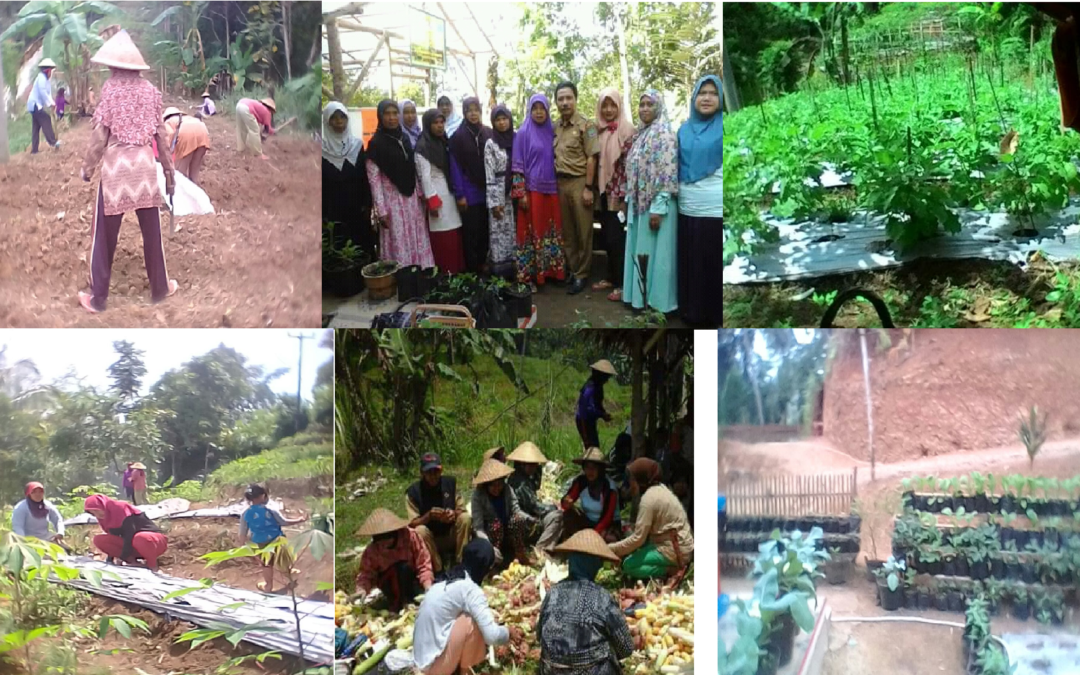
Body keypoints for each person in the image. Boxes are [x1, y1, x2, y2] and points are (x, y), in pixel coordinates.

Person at [78, 30, 178, 314]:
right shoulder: (151, 92)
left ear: (114, 65)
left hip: (116, 170)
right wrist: (169, 174)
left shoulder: (110, 90)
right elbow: (161, 137)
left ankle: (98, 299)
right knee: (152, 233)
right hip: (145, 169)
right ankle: (160, 289)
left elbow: (99, 137)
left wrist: (87, 168)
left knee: (104, 237)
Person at [538, 530, 634, 674]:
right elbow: (626, 648)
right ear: (593, 563)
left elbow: (539, 636)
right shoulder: (602, 597)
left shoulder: (552, 593)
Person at [412, 539, 510, 675]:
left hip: (421, 662)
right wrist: (508, 632)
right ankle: (465, 672)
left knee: (467, 616)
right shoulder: (470, 589)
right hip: (434, 668)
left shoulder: (445, 580)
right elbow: (492, 636)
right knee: (471, 621)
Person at [622, 89, 680, 314]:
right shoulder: (642, 134)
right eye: (642, 104)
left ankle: (659, 303)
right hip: (641, 205)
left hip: (657, 206)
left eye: (650, 104)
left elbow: (667, 172)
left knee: (658, 255)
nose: (645, 108)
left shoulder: (664, 133)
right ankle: (640, 299)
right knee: (643, 252)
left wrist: (658, 208)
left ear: (659, 107)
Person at [676, 74, 723, 327]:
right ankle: (692, 315)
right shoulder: (683, 129)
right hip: (687, 208)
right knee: (692, 265)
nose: (706, 98)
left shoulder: (726, 125)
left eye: (713, 93)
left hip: (715, 210)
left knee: (712, 264)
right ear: (694, 97)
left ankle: (714, 317)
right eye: (702, 93)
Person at [367, 100, 435, 268]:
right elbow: (374, 180)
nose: (391, 118)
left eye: (394, 113)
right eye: (387, 114)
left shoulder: (404, 138)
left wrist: (420, 194)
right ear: (380, 116)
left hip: (412, 201)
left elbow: (412, 169)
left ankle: (420, 271)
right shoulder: (375, 144)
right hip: (392, 203)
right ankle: (403, 275)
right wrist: (381, 210)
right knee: (399, 238)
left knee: (415, 235)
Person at [511, 94, 566, 289]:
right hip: (531, 192)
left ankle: (552, 272)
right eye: (535, 108)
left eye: (542, 108)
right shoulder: (523, 133)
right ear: (529, 110)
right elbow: (517, 167)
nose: (539, 112)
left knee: (550, 231)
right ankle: (530, 277)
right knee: (532, 232)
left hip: (551, 190)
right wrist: (521, 193)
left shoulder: (552, 131)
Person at [609, 458, 694, 580]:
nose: (630, 484)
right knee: (634, 553)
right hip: (681, 545)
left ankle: (670, 570)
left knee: (629, 565)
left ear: (641, 480)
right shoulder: (661, 488)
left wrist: (612, 549)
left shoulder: (648, 499)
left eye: (632, 480)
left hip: (675, 550)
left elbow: (638, 539)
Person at [552, 81, 600, 295]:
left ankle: (582, 274)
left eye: (568, 98)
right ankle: (572, 270)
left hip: (580, 182)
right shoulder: (555, 127)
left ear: (575, 99)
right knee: (568, 233)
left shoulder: (586, 126)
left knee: (583, 232)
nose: (564, 103)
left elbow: (592, 158)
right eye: (560, 99)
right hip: (560, 184)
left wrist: (588, 187)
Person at [592, 88, 634, 303]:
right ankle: (610, 277)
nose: (608, 110)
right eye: (604, 105)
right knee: (607, 236)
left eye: (612, 105)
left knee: (617, 239)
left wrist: (626, 199)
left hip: (619, 194)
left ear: (619, 106)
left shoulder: (627, 130)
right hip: (602, 191)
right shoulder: (596, 129)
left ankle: (622, 284)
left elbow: (630, 166)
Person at [323, 101, 376, 260]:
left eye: (342, 117)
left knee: (362, 246)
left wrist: (368, 204)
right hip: (333, 210)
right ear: (327, 121)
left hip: (357, 208)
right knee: (339, 249)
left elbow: (364, 177)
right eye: (334, 118)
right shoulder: (321, 149)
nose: (339, 121)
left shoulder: (357, 145)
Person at [415, 109, 466, 273]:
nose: (439, 126)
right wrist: (433, 202)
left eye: (441, 122)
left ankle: (456, 270)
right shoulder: (422, 146)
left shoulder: (443, 141)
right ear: (428, 125)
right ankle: (445, 272)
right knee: (442, 236)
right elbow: (425, 177)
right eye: (435, 123)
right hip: (437, 197)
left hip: (448, 193)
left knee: (453, 234)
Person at [355, 508, 434, 612]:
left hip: (410, 579)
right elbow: (366, 574)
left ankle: (409, 600)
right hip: (388, 584)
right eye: (378, 539)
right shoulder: (372, 550)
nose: (383, 543)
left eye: (386, 538)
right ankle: (396, 604)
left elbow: (423, 564)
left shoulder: (411, 537)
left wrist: (428, 586)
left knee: (403, 568)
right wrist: (362, 589)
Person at [406, 453, 471, 574]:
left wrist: (453, 514)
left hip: (451, 534)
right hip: (431, 541)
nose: (433, 476)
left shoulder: (450, 483)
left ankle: (460, 562)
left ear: (441, 470)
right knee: (420, 530)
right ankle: (438, 568)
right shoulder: (413, 492)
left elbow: (461, 509)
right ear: (422, 473)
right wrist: (428, 516)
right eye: (429, 472)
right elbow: (412, 524)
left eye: (436, 471)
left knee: (465, 518)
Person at [449, 97, 493, 274]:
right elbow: (455, 168)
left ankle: (483, 264)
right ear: (464, 112)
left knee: (485, 230)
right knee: (471, 233)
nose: (473, 114)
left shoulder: (488, 133)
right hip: (469, 193)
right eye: (469, 110)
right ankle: (473, 270)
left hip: (488, 191)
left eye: (476, 110)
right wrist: (460, 194)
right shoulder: (457, 137)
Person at [239, 484, 306, 593]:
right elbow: (284, 522)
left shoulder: (245, 514)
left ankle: (268, 586)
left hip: (260, 543)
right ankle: (289, 574)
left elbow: (242, 534)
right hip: (277, 540)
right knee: (283, 559)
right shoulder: (270, 510)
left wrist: (244, 547)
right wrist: (300, 519)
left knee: (266, 565)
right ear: (263, 496)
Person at [470, 458, 535, 566]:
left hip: (508, 529)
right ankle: (493, 562)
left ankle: (520, 554)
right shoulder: (478, 496)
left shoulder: (507, 490)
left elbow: (516, 510)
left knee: (518, 519)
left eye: (499, 484)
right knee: (496, 525)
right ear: (487, 484)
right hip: (490, 533)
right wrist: (488, 546)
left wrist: (529, 518)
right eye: (493, 486)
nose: (497, 489)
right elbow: (478, 528)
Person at [83, 494, 168, 572]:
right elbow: (113, 536)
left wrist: (122, 556)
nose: (96, 514)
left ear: (103, 506)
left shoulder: (121, 508)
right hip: (133, 545)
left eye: (97, 510)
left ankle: (152, 566)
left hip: (153, 543)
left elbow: (129, 533)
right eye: (93, 513)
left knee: (140, 538)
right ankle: (133, 562)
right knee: (99, 540)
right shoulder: (103, 517)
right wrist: (111, 559)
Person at [555, 447, 621, 545]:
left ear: (600, 469)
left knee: (610, 539)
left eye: (594, 468)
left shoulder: (609, 488)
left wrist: (593, 534)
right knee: (568, 515)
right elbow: (568, 499)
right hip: (587, 521)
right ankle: (575, 542)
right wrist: (566, 502)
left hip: (607, 525)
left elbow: (607, 517)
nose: (590, 471)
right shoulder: (581, 481)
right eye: (587, 467)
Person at [506, 441, 562, 551]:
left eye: (536, 465)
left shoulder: (524, 478)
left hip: (529, 516)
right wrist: (555, 507)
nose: (534, 467)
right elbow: (535, 507)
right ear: (522, 464)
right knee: (557, 516)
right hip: (525, 521)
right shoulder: (520, 483)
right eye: (531, 465)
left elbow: (536, 488)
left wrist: (538, 472)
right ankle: (541, 548)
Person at [485, 105, 518, 277]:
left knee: (514, 232)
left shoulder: (516, 139)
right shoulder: (491, 144)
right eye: (498, 119)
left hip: (516, 192)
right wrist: (494, 203)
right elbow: (489, 174)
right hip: (498, 192)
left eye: (504, 118)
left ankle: (514, 269)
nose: (502, 122)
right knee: (499, 233)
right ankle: (500, 273)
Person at [162, 107, 211, 185]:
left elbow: (169, 135)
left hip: (186, 132)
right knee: (194, 176)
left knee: (179, 174)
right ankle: (194, 193)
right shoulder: (187, 118)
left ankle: (179, 195)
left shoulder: (168, 122)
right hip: (203, 130)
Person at [11, 482, 66, 548]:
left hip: (46, 539)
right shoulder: (21, 508)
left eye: (40, 492)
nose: (38, 494)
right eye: (34, 492)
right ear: (28, 493)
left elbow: (57, 519)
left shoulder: (47, 505)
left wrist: (60, 532)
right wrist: (23, 544)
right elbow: (18, 527)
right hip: (29, 541)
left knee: (64, 553)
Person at [576, 359, 616, 449]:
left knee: (594, 445)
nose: (607, 380)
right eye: (606, 377)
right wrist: (601, 414)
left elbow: (597, 404)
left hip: (589, 420)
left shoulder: (598, 386)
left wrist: (603, 413)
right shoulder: (590, 387)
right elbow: (587, 408)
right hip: (584, 420)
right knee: (591, 447)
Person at [27, 58, 61, 153]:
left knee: (36, 127)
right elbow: (42, 92)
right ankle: (53, 142)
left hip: (35, 105)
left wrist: (52, 103)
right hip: (34, 104)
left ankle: (34, 150)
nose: (51, 74)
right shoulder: (41, 77)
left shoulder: (46, 80)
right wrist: (50, 103)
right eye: (51, 71)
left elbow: (48, 94)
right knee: (45, 118)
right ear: (48, 71)